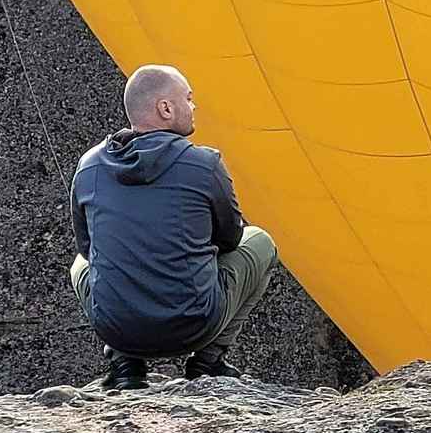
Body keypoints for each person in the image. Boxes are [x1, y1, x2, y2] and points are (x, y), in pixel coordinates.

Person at [69, 64, 278, 389]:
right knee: (261, 242)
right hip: (194, 325)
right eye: (189, 98)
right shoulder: (205, 164)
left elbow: (87, 247)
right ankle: (208, 362)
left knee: (80, 264)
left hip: (119, 330)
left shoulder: (89, 166)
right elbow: (231, 238)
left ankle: (125, 366)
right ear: (165, 108)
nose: (194, 107)